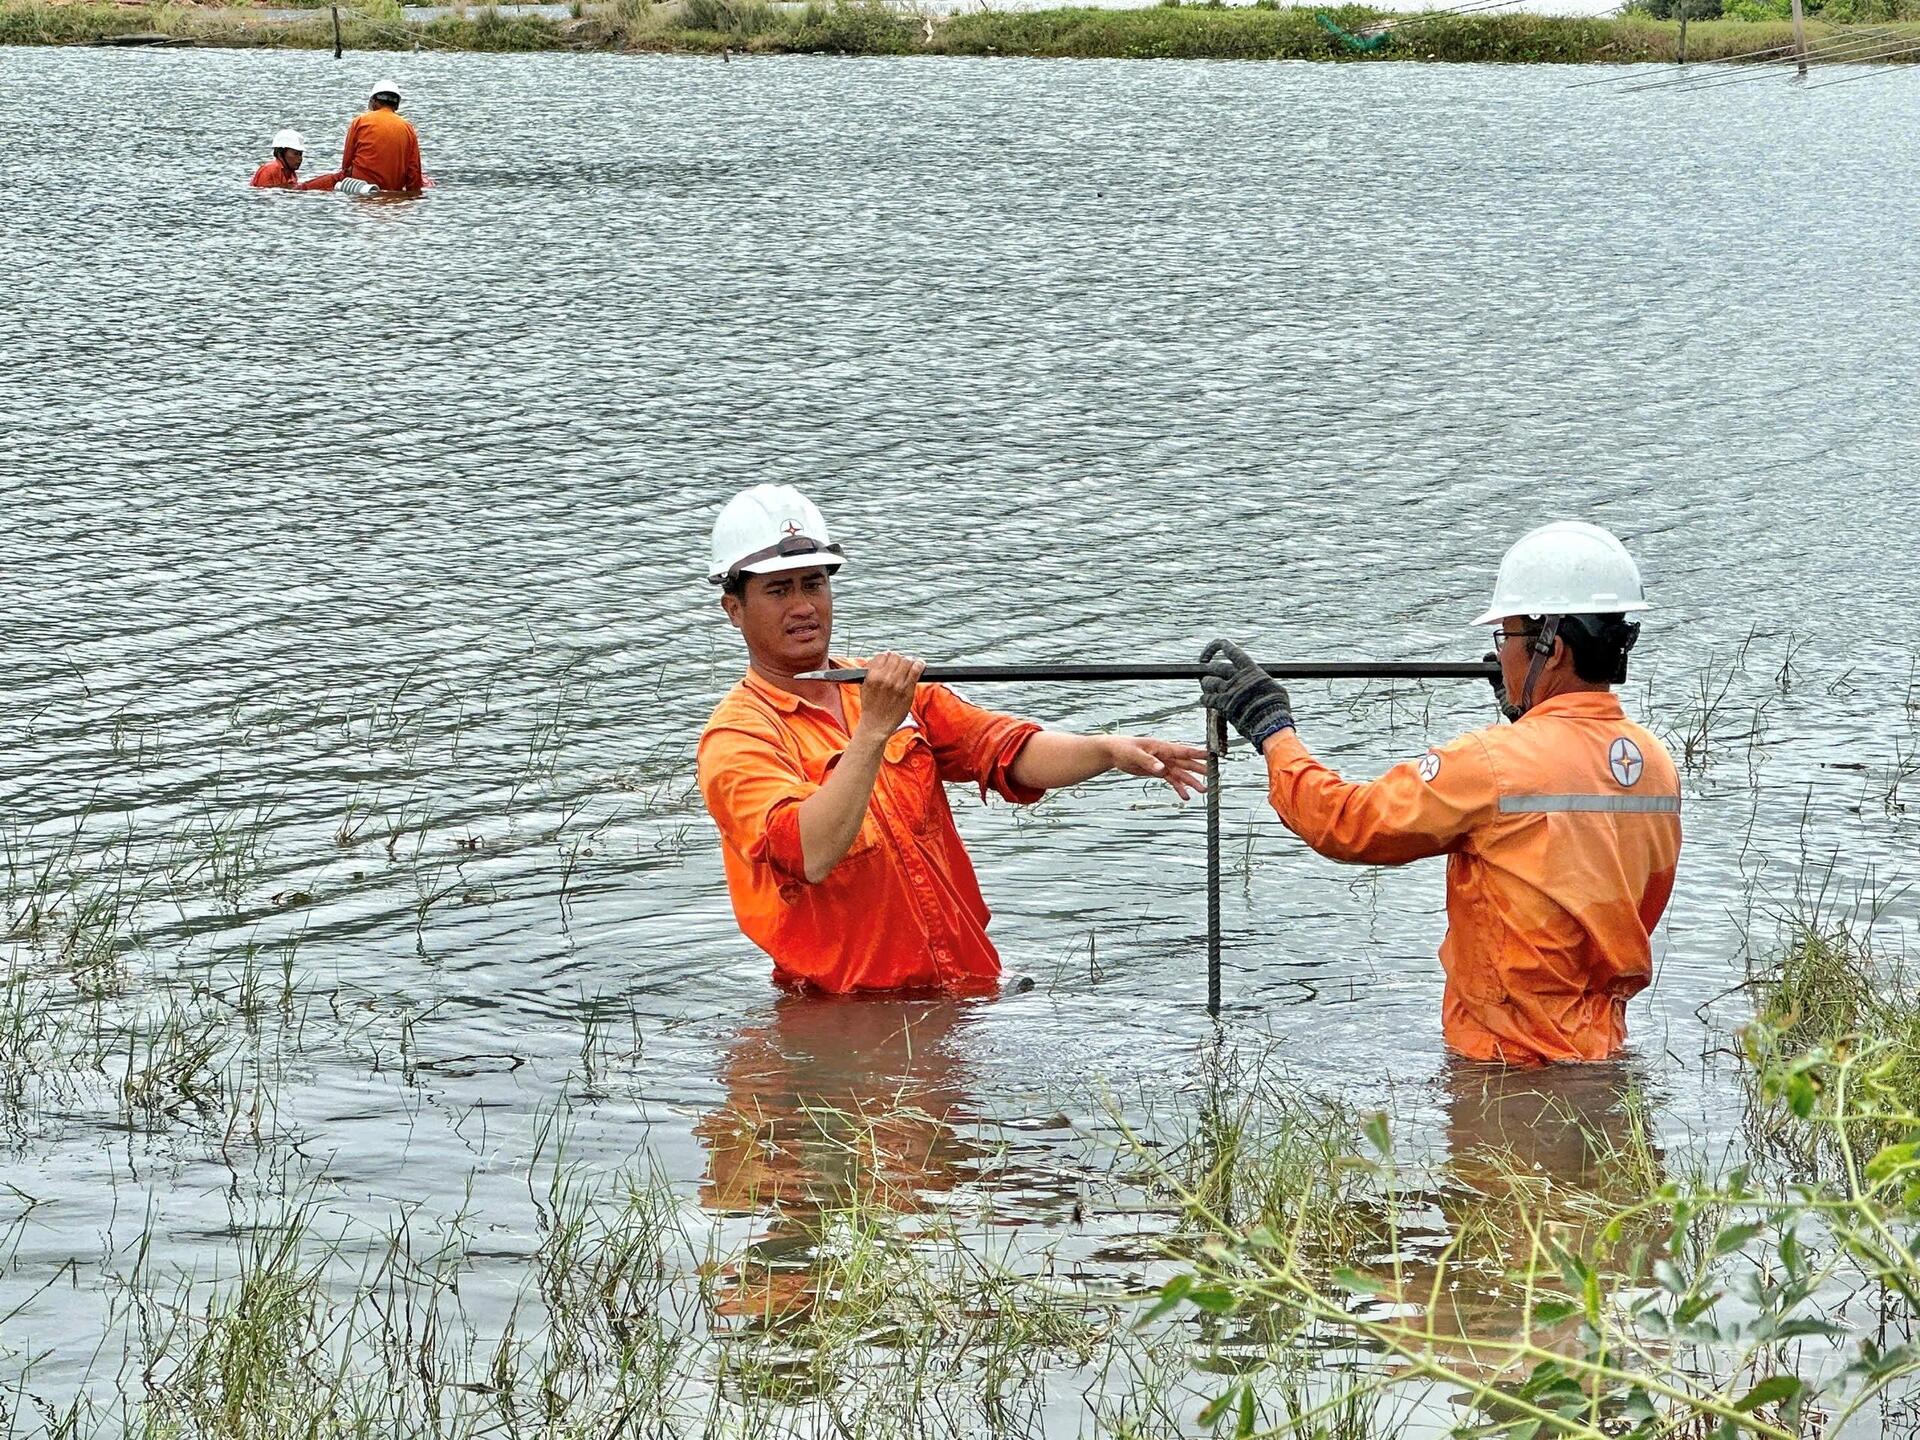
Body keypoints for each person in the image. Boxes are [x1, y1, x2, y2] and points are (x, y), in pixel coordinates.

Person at [1200, 521, 1681, 1066]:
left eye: (1509, 637)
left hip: (1505, 1061)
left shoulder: (1493, 764)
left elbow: (1347, 823)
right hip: (1604, 1053)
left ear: (1555, 644)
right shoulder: (1654, 765)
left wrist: (1273, 733)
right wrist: (1528, 714)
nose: (1502, 655)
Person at [697, 484, 1207, 996]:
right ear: (734, 609)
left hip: (967, 987)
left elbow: (1005, 750)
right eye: (778, 590)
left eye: (813, 584)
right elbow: (810, 853)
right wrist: (874, 730)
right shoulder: (737, 737)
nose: (804, 606)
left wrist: (1107, 750)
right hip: (850, 1008)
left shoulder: (889, 691)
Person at [312, 81, 426, 194]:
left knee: (320, 184)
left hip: (360, 187)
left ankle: (296, 190)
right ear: (396, 105)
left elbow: (346, 165)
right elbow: (414, 172)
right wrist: (412, 194)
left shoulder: (360, 121)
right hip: (393, 190)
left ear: (374, 102)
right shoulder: (408, 128)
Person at [249, 129, 327, 190]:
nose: (300, 158)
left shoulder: (291, 173)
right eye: (295, 154)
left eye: (301, 154)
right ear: (280, 154)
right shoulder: (269, 170)